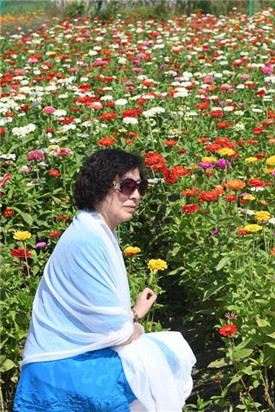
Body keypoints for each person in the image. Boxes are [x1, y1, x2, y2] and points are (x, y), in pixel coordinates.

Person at [13, 149, 196, 411]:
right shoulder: (89, 238)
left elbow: (102, 321)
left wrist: (134, 313)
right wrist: (134, 325)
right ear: (100, 186)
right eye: (127, 186)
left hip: (63, 362)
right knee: (168, 354)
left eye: (140, 186)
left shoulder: (94, 229)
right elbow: (117, 333)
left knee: (163, 355)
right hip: (61, 368)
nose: (136, 195)